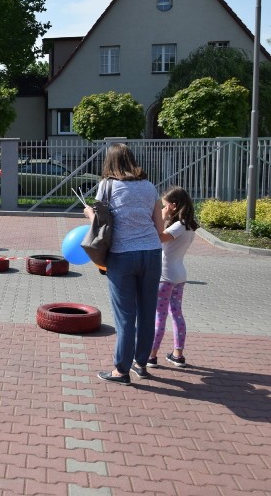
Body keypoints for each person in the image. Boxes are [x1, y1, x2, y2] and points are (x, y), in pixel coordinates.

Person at [84, 143, 164, 386]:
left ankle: (121, 370)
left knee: (125, 316)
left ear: (109, 162)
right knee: (147, 311)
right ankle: (142, 363)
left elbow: (99, 222)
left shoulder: (106, 186)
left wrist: (88, 213)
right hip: (151, 253)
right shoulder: (150, 186)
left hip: (122, 255)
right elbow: (160, 229)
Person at [148, 186, 197, 369]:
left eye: (166, 205)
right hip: (179, 275)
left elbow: (157, 237)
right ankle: (178, 354)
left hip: (165, 277)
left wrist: (162, 216)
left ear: (174, 206)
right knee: (176, 314)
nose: (164, 207)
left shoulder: (178, 226)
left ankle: (151, 355)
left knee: (159, 316)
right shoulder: (189, 224)